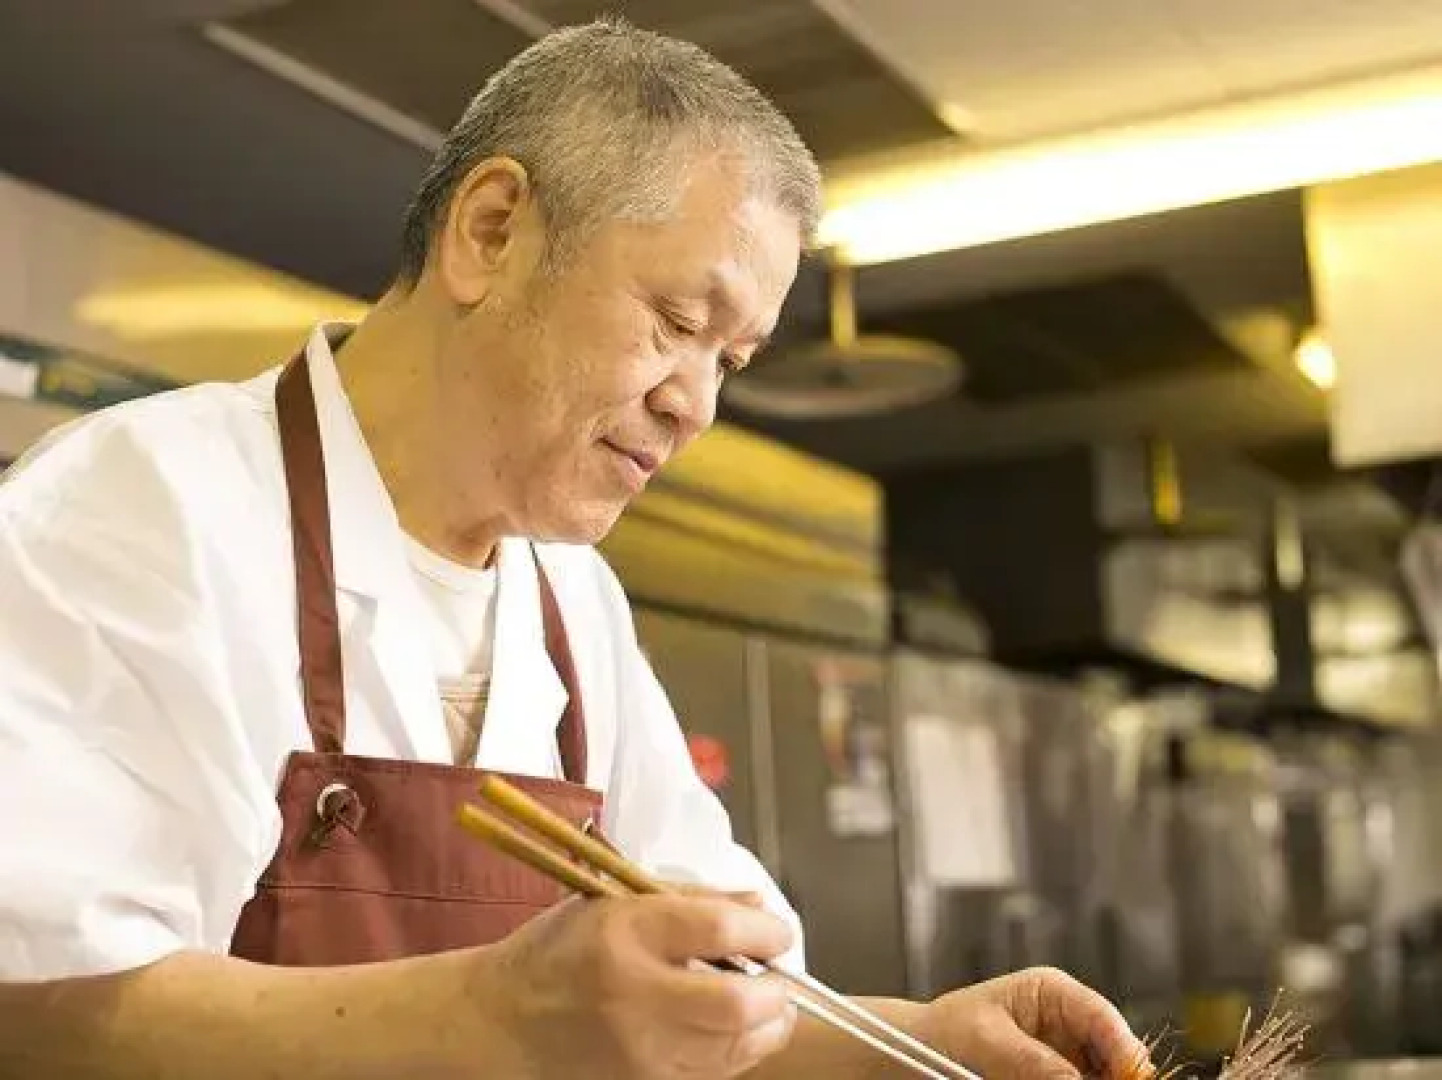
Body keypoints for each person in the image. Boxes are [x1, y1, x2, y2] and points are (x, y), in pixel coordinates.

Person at [0, 18, 1151, 1080]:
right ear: (491, 231)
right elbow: (37, 1015)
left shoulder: (571, 603)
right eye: (678, 324)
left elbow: (719, 998)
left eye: (730, 362)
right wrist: (494, 1016)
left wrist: (912, 1043)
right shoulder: (140, 510)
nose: (693, 405)